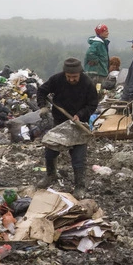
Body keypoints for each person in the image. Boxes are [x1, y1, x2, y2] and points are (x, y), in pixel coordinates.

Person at [35, 58, 99, 198]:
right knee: (50, 151)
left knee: (78, 158)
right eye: (69, 77)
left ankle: (79, 186)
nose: (71, 79)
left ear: (79, 73)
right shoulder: (57, 79)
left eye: (74, 77)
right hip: (59, 122)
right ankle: (50, 175)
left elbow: (93, 104)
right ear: (65, 73)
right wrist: (43, 106)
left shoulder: (87, 83)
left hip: (78, 125)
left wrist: (80, 114)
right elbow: (41, 91)